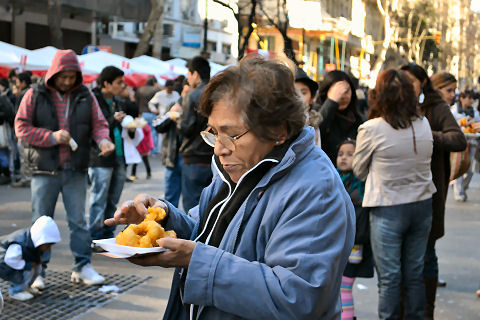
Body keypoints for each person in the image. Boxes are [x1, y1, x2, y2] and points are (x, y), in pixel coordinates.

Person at [105, 56, 355, 320]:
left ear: (278, 131)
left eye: (231, 134)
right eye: (213, 132)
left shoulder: (316, 191)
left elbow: (297, 298)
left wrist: (197, 262)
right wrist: (164, 217)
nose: (218, 148)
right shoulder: (237, 167)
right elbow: (208, 236)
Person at [14, 49, 114, 287]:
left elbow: (99, 123)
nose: (67, 82)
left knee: (78, 221)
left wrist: (103, 139)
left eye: (71, 77)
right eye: (63, 77)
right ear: (53, 74)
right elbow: (21, 127)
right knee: (41, 222)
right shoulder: (35, 93)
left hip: (75, 169)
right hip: (43, 170)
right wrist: (51, 137)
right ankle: (37, 270)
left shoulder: (85, 94)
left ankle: (82, 266)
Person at [353, 69, 436, 319]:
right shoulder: (423, 124)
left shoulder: (371, 128)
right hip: (422, 205)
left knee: (389, 278)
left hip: (388, 208)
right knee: (414, 273)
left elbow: (358, 169)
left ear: (379, 96)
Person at [401, 64, 467, 320]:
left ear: (422, 82)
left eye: (411, 81)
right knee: (399, 260)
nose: (405, 86)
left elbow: (458, 139)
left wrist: (425, 135)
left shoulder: (435, 107)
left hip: (429, 195)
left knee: (426, 254)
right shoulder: (394, 105)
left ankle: (426, 312)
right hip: (397, 193)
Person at [88, 66, 128, 241]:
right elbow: (94, 127)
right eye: (119, 82)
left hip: (119, 154)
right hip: (100, 157)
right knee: (99, 199)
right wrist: (114, 120)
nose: (122, 85)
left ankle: (106, 234)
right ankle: (95, 237)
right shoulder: (93, 100)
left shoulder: (115, 101)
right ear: (106, 83)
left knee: (113, 198)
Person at [336, 139, 373, 320]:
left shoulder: (362, 182)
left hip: (355, 242)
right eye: (341, 154)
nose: (344, 158)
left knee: (344, 284)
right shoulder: (333, 177)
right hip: (337, 241)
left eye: (350, 155)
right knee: (340, 285)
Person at [176, 56, 213, 212]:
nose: (188, 78)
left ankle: (193, 237)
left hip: (193, 157)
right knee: (209, 206)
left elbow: (185, 128)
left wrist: (177, 118)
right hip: (213, 157)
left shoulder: (192, 95)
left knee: (192, 209)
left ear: (196, 74)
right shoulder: (217, 93)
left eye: (189, 74)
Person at [0, 215, 61, 301]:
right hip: (4, 263)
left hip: (16, 261)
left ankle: (26, 287)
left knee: (36, 268)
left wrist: (36, 260)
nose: (48, 248)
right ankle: (16, 291)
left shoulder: (32, 242)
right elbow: (9, 260)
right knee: (25, 272)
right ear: (40, 240)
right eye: (47, 245)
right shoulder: (19, 244)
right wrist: (26, 264)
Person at [317, 70, 364, 164]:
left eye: (346, 91)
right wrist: (331, 103)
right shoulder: (317, 113)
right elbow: (317, 132)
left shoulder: (357, 118)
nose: (342, 96)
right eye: (337, 92)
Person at [449, 90, 480, 201]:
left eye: (472, 98)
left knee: (471, 169)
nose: (471, 100)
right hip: (458, 143)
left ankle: (463, 187)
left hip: (472, 142)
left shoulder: (475, 111)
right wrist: (461, 123)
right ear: (462, 98)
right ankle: (458, 192)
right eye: (468, 98)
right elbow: (449, 125)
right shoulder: (453, 111)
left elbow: (477, 126)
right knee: (459, 167)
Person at [294, 68, 321, 146]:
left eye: (304, 92)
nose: (299, 97)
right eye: (294, 93)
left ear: (312, 97)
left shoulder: (314, 121)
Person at [135, 77, 159, 153]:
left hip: (142, 113)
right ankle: (153, 149)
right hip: (152, 113)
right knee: (153, 131)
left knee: (142, 132)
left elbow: (137, 101)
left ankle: (143, 149)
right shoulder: (155, 90)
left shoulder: (140, 89)